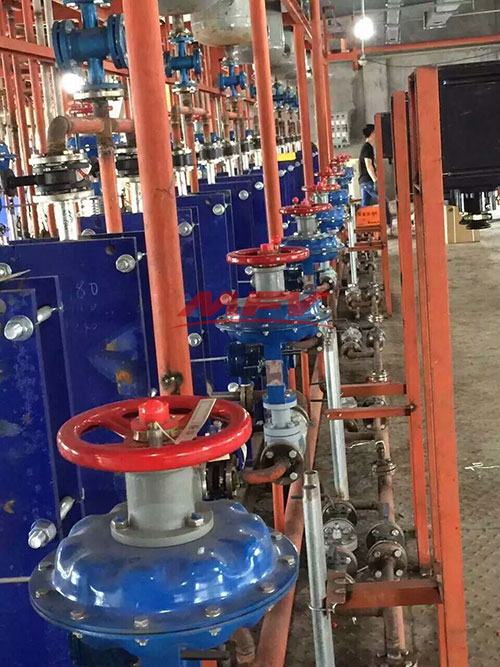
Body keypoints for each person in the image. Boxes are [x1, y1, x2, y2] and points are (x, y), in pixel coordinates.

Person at [359, 123, 392, 230]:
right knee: (384, 201)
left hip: (364, 181)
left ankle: (364, 228)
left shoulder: (367, 147)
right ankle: (388, 226)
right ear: (372, 133)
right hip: (367, 181)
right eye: (375, 132)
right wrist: (376, 180)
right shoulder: (367, 148)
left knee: (365, 206)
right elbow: (368, 166)